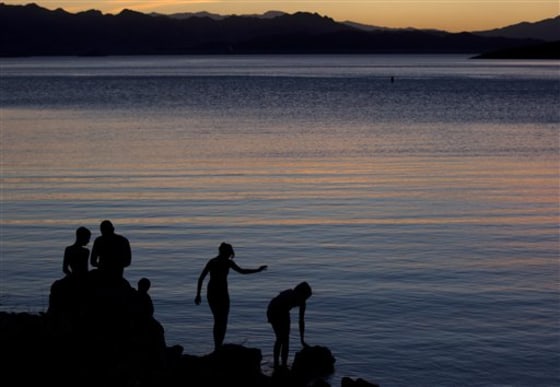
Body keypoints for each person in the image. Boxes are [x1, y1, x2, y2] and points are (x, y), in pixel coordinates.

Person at [195, 242, 267, 351]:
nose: (230, 254)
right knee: (222, 320)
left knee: (218, 320)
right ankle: (218, 346)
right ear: (226, 252)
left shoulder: (212, 261)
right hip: (221, 294)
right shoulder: (227, 263)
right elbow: (242, 271)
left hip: (212, 293)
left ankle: (217, 345)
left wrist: (198, 295)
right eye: (229, 252)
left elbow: (201, 278)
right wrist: (258, 270)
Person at [267, 281, 312, 370]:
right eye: (306, 296)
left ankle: (280, 364)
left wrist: (302, 339)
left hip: (276, 310)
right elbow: (301, 321)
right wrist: (302, 340)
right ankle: (281, 364)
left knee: (281, 339)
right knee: (283, 339)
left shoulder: (298, 298)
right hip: (275, 310)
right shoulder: (292, 296)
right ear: (302, 293)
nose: (305, 299)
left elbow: (301, 321)